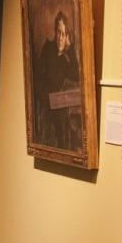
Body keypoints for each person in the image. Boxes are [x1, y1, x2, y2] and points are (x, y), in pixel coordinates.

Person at [33, 10, 82, 151]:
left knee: (73, 104)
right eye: (59, 32)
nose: (60, 38)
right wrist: (48, 100)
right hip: (46, 103)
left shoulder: (66, 57)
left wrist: (70, 48)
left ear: (67, 37)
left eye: (64, 34)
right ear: (55, 32)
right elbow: (38, 79)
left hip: (59, 104)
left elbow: (76, 75)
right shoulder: (48, 48)